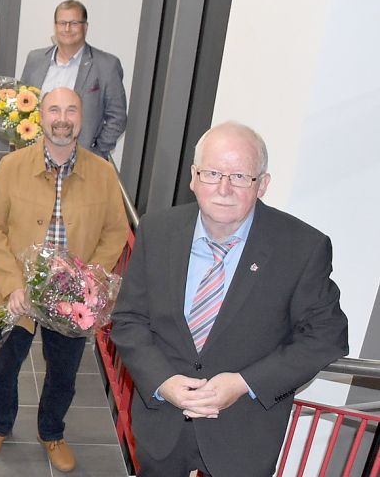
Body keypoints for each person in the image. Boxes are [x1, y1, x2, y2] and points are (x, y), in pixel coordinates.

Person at [110, 122, 348, 476]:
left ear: (262, 184)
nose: (223, 188)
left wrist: (243, 383)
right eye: (212, 173)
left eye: (239, 176)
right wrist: (163, 381)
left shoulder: (302, 247)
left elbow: (326, 337)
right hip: (163, 426)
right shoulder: (158, 230)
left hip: (244, 433)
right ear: (193, 176)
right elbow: (129, 320)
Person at [0, 87, 128, 471]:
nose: (63, 118)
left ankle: (52, 431)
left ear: (81, 117)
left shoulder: (103, 172)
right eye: (54, 110)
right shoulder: (11, 167)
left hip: (73, 302)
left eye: (71, 110)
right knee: (3, 367)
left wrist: (86, 283)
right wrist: (13, 285)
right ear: (40, 117)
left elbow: (115, 231)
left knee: (64, 372)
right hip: (17, 295)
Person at [20, 0, 127, 158]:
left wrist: (95, 153)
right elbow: (22, 105)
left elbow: (117, 118)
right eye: (62, 23)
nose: (67, 28)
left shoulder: (106, 65)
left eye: (74, 23)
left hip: (81, 160)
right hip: (36, 156)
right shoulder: (35, 59)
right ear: (55, 26)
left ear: (86, 27)